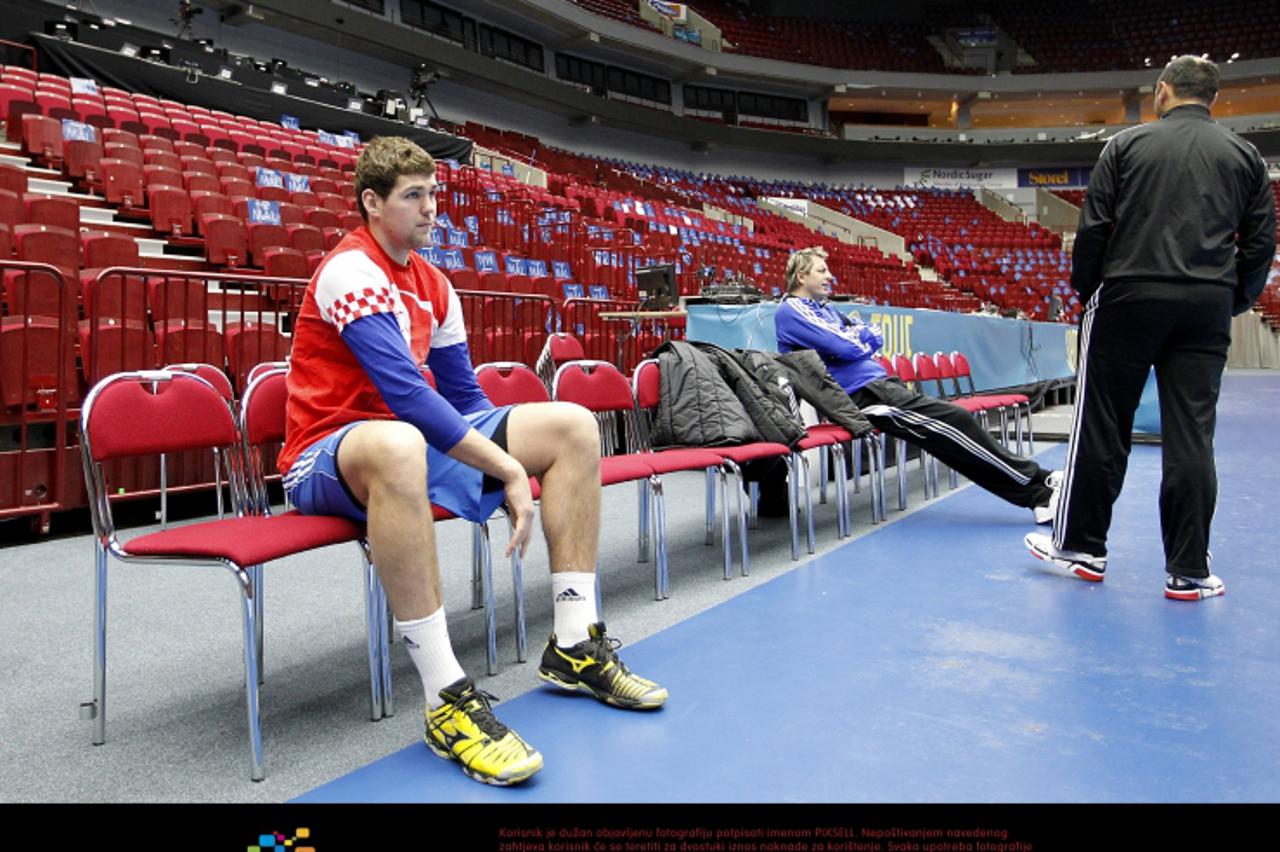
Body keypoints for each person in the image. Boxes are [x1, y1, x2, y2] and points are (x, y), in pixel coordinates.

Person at [278, 137, 666, 786]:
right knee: (401, 439)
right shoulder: (351, 270)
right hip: (326, 453)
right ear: (372, 203)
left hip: (405, 440)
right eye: (414, 196)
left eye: (434, 193)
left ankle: (573, 644)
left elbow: (463, 400)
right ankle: (445, 701)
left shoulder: (435, 284)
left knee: (569, 425)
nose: (433, 209)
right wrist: (509, 471)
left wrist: (501, 451)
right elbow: (406, 394)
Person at [1023, 56, 1276, 601]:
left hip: (1128, 294)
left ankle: (1082, 548)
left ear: (1163, 91)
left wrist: (1089, 288)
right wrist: (1235, 297)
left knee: (1102, 424)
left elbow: (1093, 227)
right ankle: (1188, 571)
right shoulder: (1246, 156)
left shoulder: (1126, 146)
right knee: (1192, 434)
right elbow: (1260, 243)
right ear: (1213, 98)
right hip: (1205, 304)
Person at [775, 246, 1060, 522]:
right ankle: (1039, 490)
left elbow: (872, 335)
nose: (829, 277)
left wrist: (857, 337)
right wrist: (858, 338)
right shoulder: (792, 310)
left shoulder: (825, 310)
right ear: (801, 276)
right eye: (821, 271)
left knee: (951, 432)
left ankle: (1037, 487)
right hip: (861, 399)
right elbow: (848, 345)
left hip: (880, 387)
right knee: (954, 423)